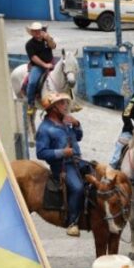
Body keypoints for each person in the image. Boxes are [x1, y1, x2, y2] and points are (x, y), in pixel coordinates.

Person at [36, 93, 84, 237]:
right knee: (78, 187)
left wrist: (77, 125)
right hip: (62, 166)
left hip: (77, 161)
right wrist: (62, 152)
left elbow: (79, 137)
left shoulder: (66, 122)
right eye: (61, 103)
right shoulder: (44, 129)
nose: (65, 106)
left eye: (64, 102)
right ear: (53, 108)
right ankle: (72, 222)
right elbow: (41, 153)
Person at [25, 22, 56, 112]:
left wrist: (48, 38)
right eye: (35, 31)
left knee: (65, 75)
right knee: (32, 83)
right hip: (38, 67)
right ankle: (30, 103)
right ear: (32, 32)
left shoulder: (47, 40)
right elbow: (34, 58)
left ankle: (72, 100)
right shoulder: (29, 44)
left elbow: (53, 46)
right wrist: (45, 65)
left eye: (39, 30)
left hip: (51, 63)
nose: (37, 32)